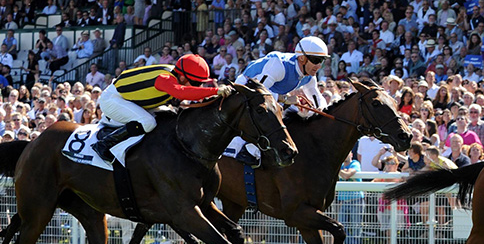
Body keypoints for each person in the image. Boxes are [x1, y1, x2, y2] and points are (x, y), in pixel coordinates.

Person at [92, 54, 228, 162]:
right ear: (182, 77)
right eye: (195, 83)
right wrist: (215, 91)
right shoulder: (165, 79)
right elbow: (181, 92)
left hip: (131, 99)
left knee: (169, 114)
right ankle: (104, 144)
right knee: (148, 122)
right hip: (113, 99)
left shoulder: (174, 74)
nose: (198, 86)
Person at [230, 36, 329, 167]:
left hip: (271, 94)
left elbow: (316, 97)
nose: (319, 65)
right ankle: (247, 150)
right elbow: (258, 94)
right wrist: (286, 99)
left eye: (322, 60)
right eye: (316, 60)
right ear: (302, 58)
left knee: (300, 115)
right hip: (246, 88)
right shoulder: (279, 65)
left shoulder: (309, 76)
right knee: (271, 116)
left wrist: (323, 112)